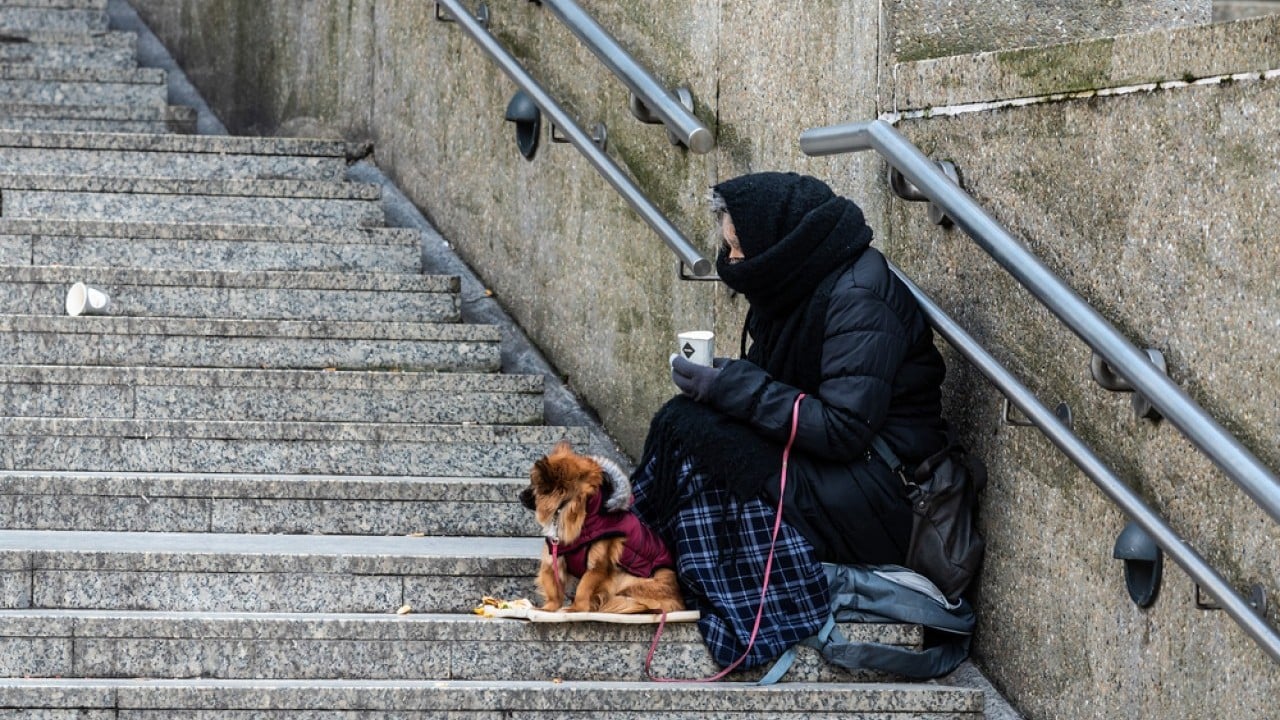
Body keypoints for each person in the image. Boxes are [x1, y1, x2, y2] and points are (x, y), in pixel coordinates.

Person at [629, 171, 951, 671]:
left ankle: (705, 578)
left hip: (882, 490)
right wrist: (718, 387)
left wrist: (732, 386)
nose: (732, 262)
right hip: (835, 471)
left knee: (714, 457)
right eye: (729, 248)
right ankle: (639, 553)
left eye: (738, 249)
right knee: (684, 422)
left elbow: (843, 428)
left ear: (776, 240)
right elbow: (773, 394)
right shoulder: (796, 284)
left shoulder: (859, 293)